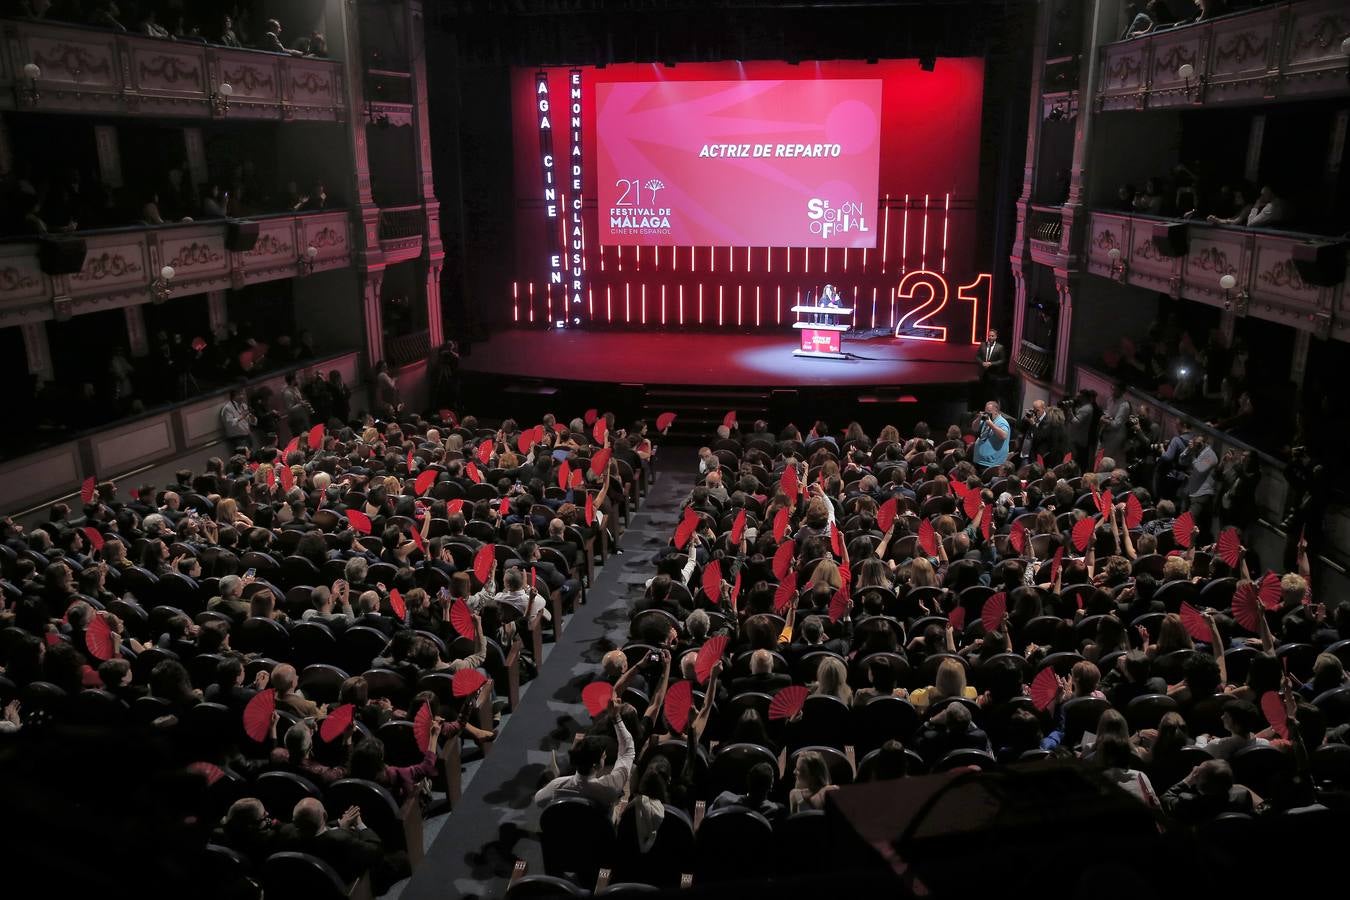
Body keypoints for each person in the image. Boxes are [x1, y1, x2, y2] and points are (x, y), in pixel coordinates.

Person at [534, 693, 634, 814]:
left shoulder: (556, 786)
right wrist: (616, 717)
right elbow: (627, 751)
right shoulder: (611, 789)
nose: (605, 757)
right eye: (603, 757)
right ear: (596, 765)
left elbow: (538, 801)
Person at [971, 401, 1011, 469]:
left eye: (989, 411)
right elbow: (974, 428)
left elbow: (1003, 436)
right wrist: (979, 418)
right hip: (980, 460)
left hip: (991, 463)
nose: (987, 413)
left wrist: (991, 424)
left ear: (996, 411)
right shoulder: (987, 419)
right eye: (985, 411)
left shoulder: (1002, 422)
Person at [975, 329, 1006, 400]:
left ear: (996, 337)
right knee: (981, 392)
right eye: (989, 336)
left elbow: (1002, 360)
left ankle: (991, 408)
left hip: (993, 373)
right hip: (982, 373)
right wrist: (982, 362)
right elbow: (977, 356)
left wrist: (991, 363)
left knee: (992, 393)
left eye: (992, 336)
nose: (990, 337)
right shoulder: (982, 345)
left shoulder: (1000, 347)